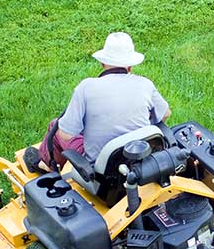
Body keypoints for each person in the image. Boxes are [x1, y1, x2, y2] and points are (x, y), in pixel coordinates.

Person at [24, 32, 171, 173]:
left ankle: (46, 165)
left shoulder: (86, 88)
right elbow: (165, 114)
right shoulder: (145, 84)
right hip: (137, 159)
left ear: (102, 62)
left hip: (101, 169)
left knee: (55, 126)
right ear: (130, 65)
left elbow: (66, 135)